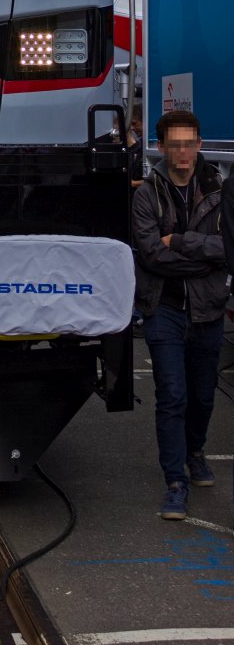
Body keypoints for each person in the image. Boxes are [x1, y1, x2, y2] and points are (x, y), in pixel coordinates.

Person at [132, 110, 228, 520]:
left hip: (208, 309)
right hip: (165, 309)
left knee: (203, 396)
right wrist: (203, 259)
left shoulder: (220, 190)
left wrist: (182, 242)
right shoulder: (146, 194)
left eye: (190, 143)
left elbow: (228, 248)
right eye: (176, 145)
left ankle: (195, 452)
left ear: (200, 145)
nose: (184, 152)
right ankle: (175, 482)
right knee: (173, 395)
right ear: (161, 147)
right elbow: (151, 254)